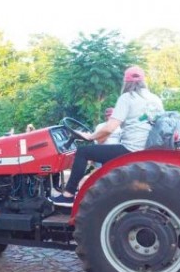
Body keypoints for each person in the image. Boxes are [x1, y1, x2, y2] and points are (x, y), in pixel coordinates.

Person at [50, 66, 164, 207]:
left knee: (83, 152)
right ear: (143, 81)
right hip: (147, 149)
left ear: (126, 82)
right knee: (103, 155)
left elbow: (109, 128)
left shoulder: (128, 97)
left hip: (131, 149)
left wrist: (90, 137)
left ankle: (68, 195)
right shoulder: (155, 99)